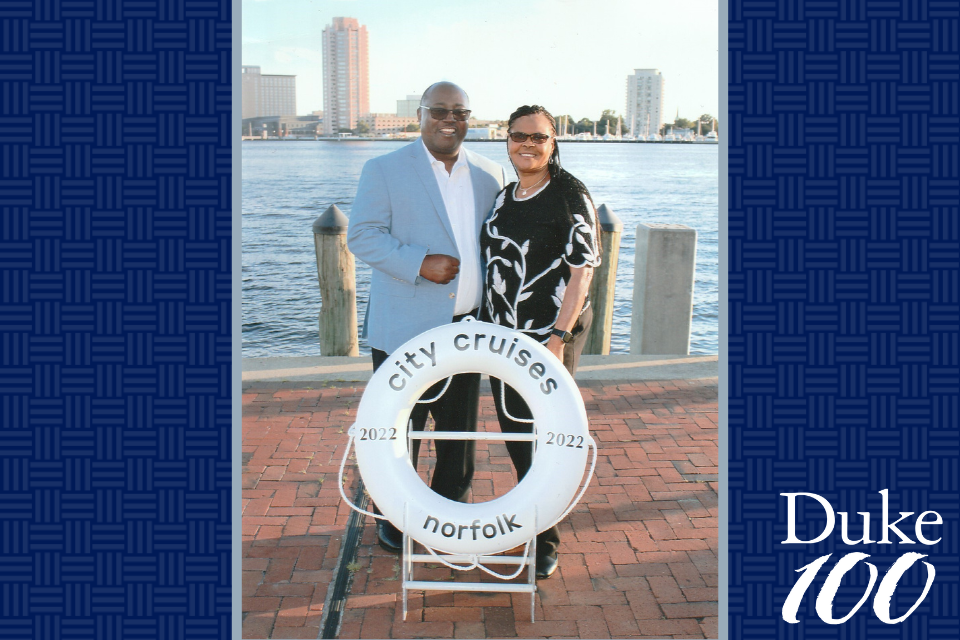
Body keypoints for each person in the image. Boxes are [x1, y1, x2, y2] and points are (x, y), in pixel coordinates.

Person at [347, 82, 507, 553]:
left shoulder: (489, 172)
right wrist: (419, 263)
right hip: (403, 328)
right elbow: (363, 236)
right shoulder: (383, 169)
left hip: (467, 328)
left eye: (460, 111)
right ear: (420, 115)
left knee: (458, 434)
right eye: (438, 110)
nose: (449, 119)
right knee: (399, 431)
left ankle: (447, 516)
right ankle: (395, 520)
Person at [480, 105, 601, 579]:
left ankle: (545, 538)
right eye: (518, 137)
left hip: (548, 338)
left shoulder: (569, 193)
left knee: (545, 436)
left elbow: (582, 270)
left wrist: (557, 337)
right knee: (515, 431)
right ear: (507, 141)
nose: (527, 145)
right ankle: (531, 519)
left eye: (538, 137)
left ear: (554, 142)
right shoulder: (505, 195)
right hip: (502, 336)